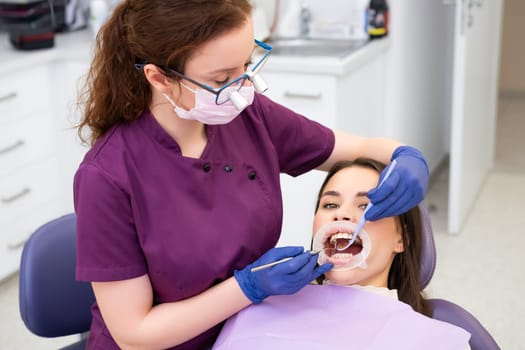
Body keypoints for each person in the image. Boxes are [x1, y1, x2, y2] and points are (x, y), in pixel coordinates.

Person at [73, 1, 430, 349]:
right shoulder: (106, 177)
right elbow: (135, 335)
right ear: (159, 78)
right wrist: (246, 288)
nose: (245, 90)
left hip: (250, 328)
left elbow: (360, 147)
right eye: (222, 78)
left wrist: (405, 155)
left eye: (246, 64)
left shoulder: (248, 115)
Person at [212, 159, 471, 350]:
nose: (342, 214)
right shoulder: (259, 305)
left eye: (366, 205)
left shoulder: (429, 340)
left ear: (401, 239)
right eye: (330, 204)